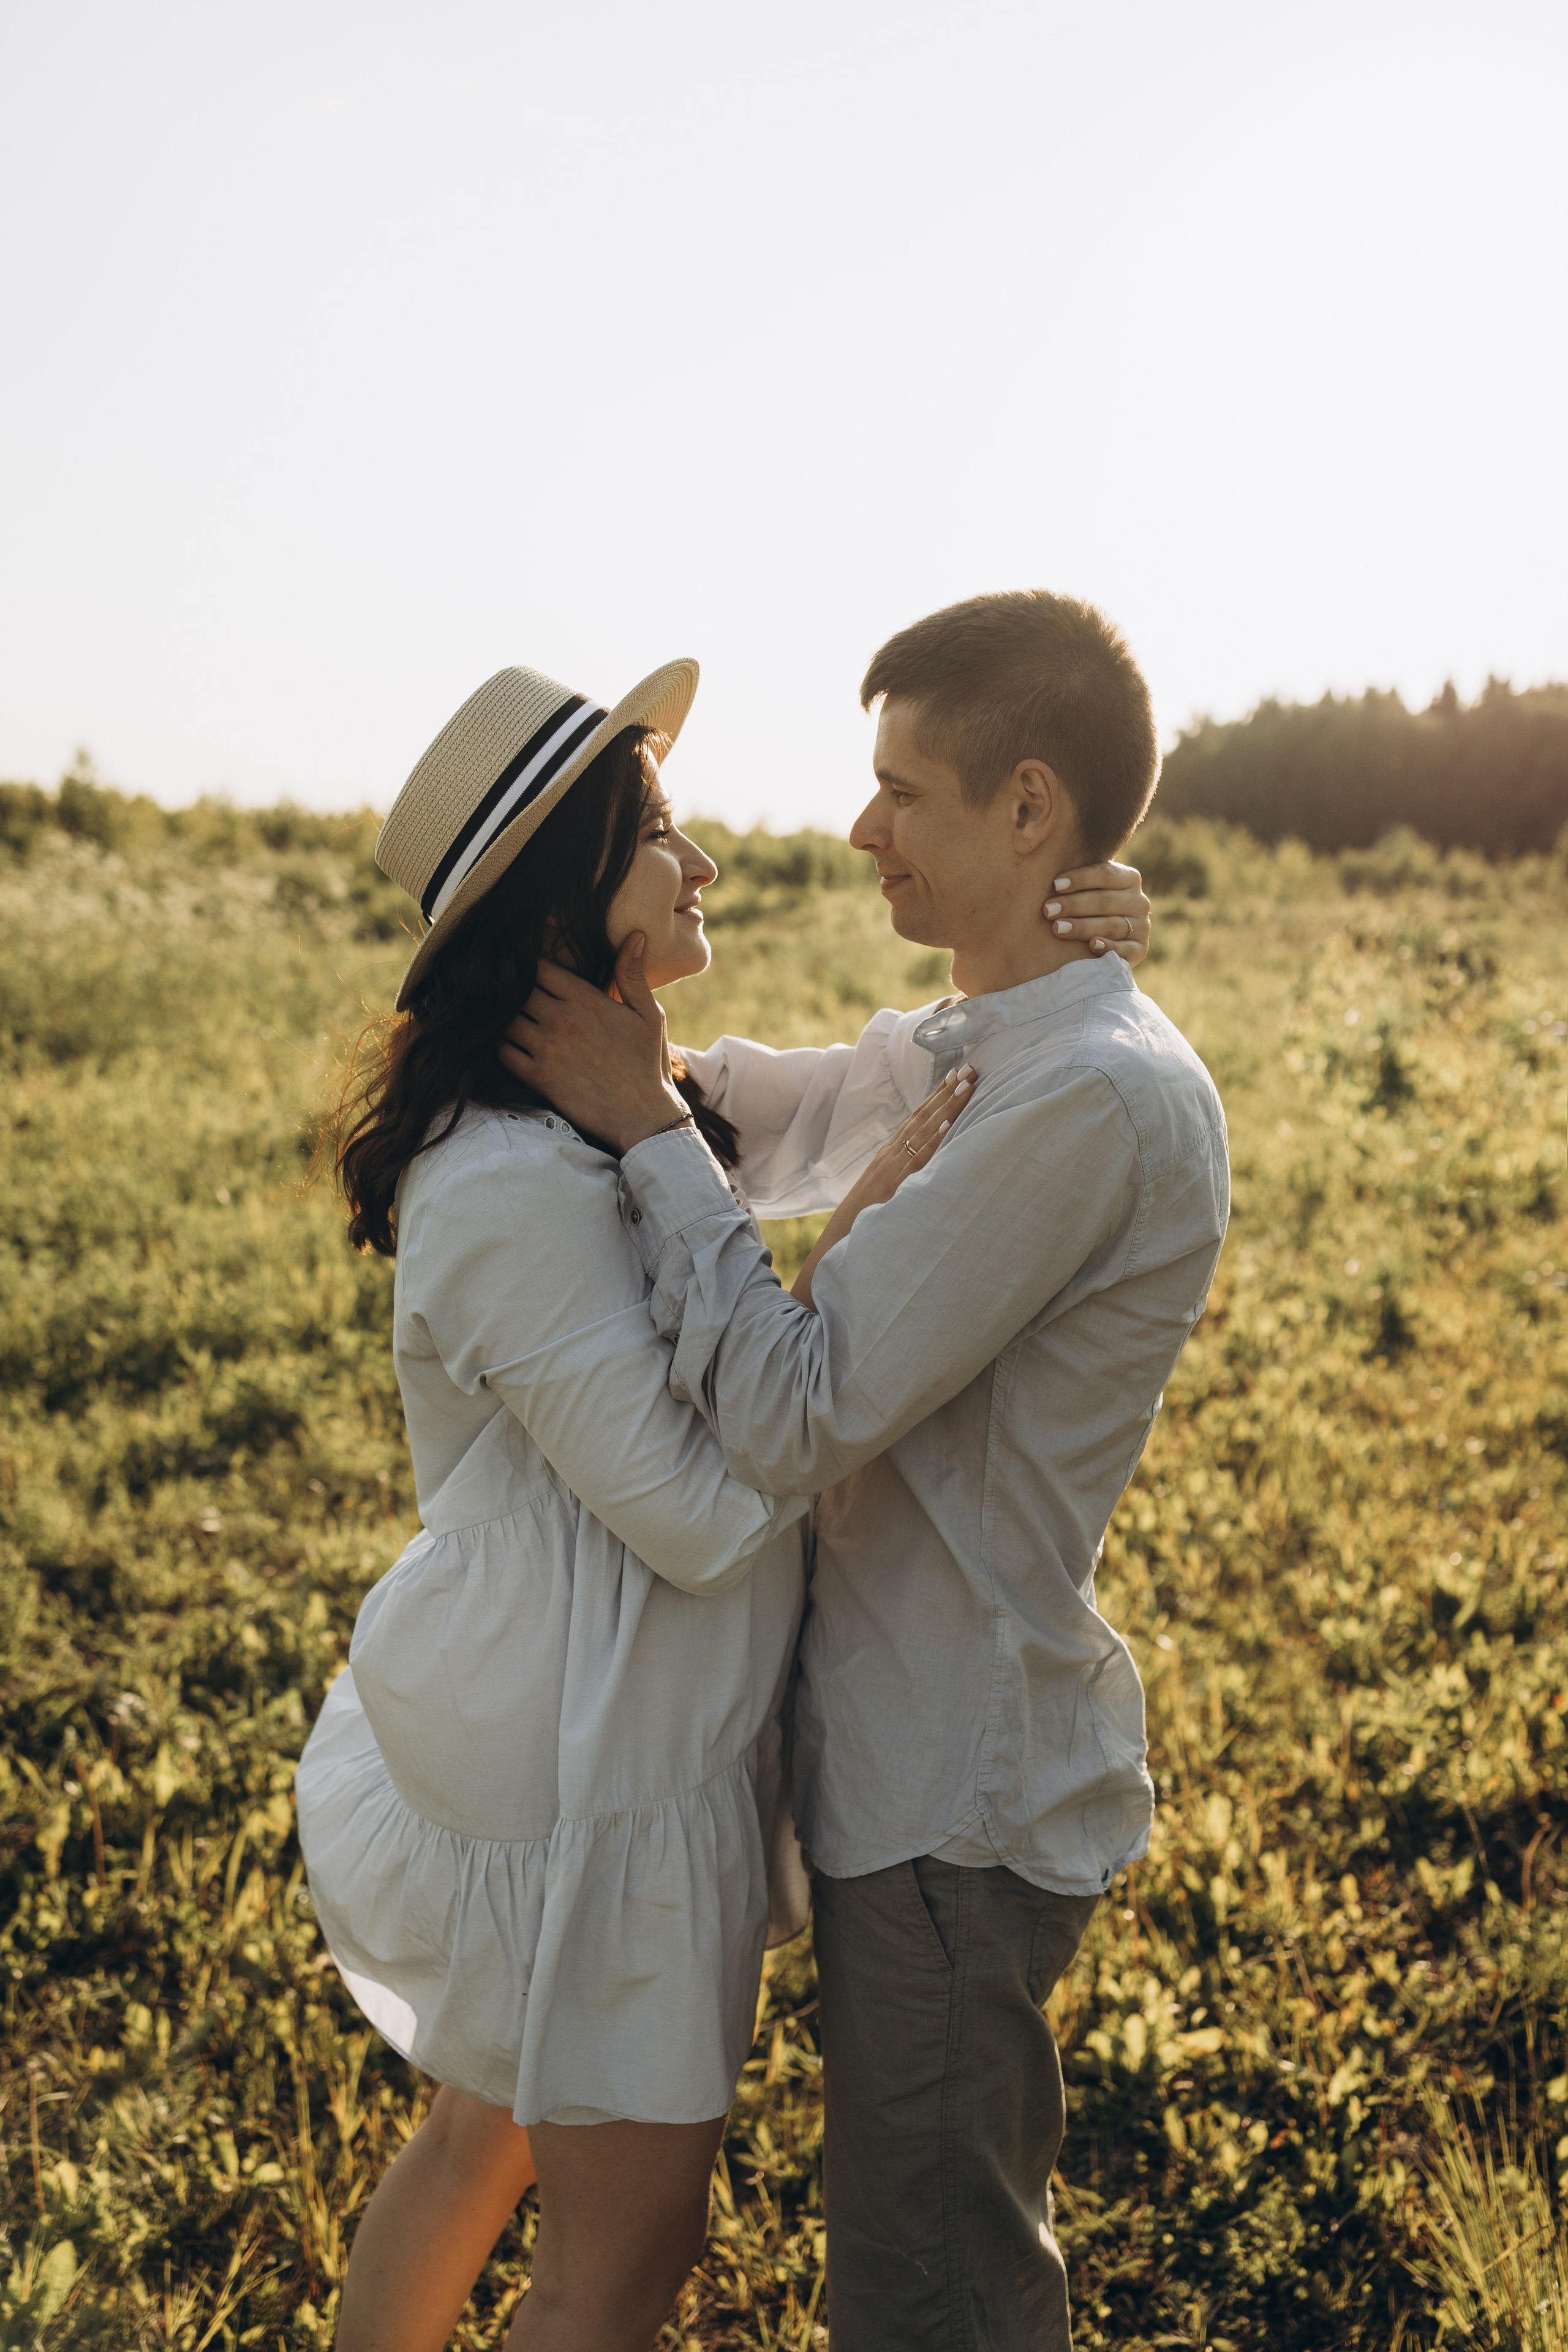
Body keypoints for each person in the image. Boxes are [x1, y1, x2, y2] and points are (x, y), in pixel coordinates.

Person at [295, 648, 1156, 2352]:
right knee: (619, 2257)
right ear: (563, 900)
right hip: (585, 1759)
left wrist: (1063, 947)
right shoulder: (518, 1186)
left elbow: (849, 1105)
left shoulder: (615, 1120)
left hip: (618, 1727)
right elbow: (701, 1510)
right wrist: (835, 1274)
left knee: (489, 2136)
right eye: (660, 833)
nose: (705, 866)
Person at [503, 590, 1232, 2352]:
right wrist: (606, 1057)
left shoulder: (1084, 1100)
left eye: (905, 791)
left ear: (1031, 811)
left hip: (950, 1796)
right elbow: (792, 1114)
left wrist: (644, 1125)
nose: (860, 827)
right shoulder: (991, 1037)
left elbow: (790, 1407)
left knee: (933, 2304)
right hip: (902, 1769)